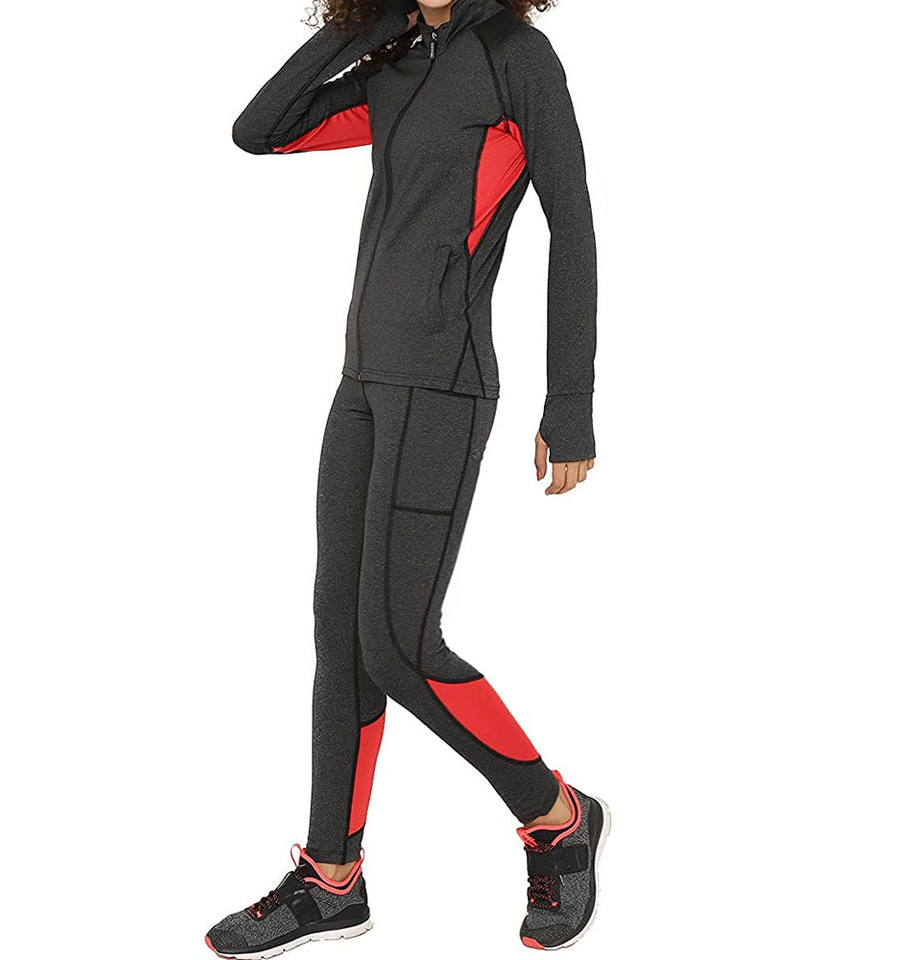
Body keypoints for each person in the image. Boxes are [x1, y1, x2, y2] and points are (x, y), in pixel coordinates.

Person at [206, 0, 608, 954]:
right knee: (341, 637)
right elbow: (260, 130)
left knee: (399, 644)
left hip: (444, 383)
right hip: (361, 385)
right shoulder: (392, 59)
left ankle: (557, 817)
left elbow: (575, 229)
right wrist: (363, 25)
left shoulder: (516, 56)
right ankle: (332, 880)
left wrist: (570, 403)